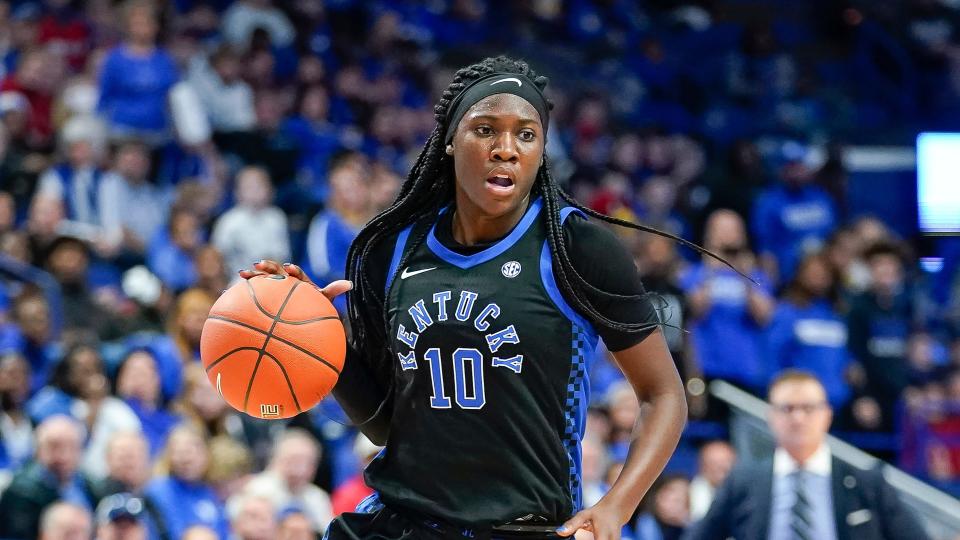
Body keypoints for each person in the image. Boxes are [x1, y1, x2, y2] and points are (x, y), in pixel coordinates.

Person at [242, 55, 690, 539]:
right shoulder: (392, 250)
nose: (506, 149)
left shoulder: (575, 248)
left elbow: (664, 395)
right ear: (451, 140)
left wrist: (615, 508)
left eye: (526, 134)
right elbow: (387, 427)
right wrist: (318, 333)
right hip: (401, 521)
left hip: (522, 528)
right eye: (485, 130)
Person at [687, 370, 928, 540]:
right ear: (771, 416)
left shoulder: (867, 483)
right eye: (787, 408)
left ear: (827, 415)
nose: (798, 418)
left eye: (808, 408)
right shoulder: (743, 481)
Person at [0, 415, 94, 540]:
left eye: (71, 446)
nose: (63, 456)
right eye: (54, 447)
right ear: (38, 450)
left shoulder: (89, 484)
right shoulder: (20, 493)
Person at [231, 428, 333, 534]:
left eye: (307, 463)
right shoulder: (256, 489)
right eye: (293, 460)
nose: (299, 470)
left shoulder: (317, 498)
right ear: (276, 459)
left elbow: (327, 532)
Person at [688, 440, 736, 521]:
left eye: (728, 462)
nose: (724, 467)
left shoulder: (747, 492)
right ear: (703, 466)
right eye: (715, 463)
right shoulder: (688, 494)